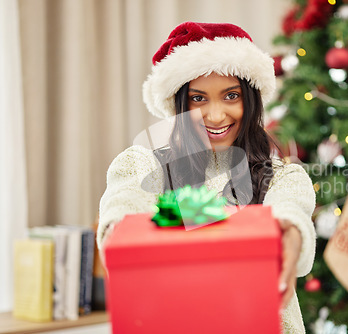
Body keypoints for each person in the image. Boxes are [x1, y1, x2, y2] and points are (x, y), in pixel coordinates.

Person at [97, 21, 316, 333]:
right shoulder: (145, 165)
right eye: (198, 98)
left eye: (231, 96)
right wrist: (124, 238)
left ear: (251, 99)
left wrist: (290, 234)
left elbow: (291, 209)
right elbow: (121, 210)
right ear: (179, 103)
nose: (215, 116)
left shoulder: (283, 176)